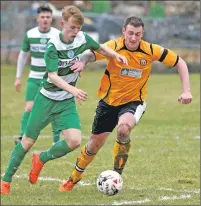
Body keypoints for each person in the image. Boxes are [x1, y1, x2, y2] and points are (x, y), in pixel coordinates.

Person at [0, 5, 128, 195]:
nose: (75, 32)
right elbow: (52, 76)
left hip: (66, 102)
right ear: (62, 24)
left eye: (78, 28)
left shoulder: (82, 38)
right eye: (71, 28)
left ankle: (41, 159)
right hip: (46, 99)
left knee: (75, 141)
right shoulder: (53, 46)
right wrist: (73, 89)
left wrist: (116, 55)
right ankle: (5, 181)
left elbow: (99, 47)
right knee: (27, 141)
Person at [57, 16, 193, 191]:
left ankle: (116, 175)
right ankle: (74, 178)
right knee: (94, 145)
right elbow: (91, 54)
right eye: (130, 33)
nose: (133, 38)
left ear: (142, 34)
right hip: (108, 102)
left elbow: (180, 62)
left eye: (137, 34)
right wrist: (82, 61)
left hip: (134, 101)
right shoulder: (114, 46)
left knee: (123, 129)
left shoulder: (150, 50)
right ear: (123, 32)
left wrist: (186, 90)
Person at [14, 5, 61, 145]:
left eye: (48, 17)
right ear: (37, 18)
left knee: (54, 109)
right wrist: (18, 77)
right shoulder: (30, 34)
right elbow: (22, 56)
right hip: (34, 78)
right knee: (29, 107)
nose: (45, 19)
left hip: (52, 78)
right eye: (42, 17)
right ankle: (22, 137)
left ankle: (56, 141)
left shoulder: (57, 35)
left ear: (51, 19)